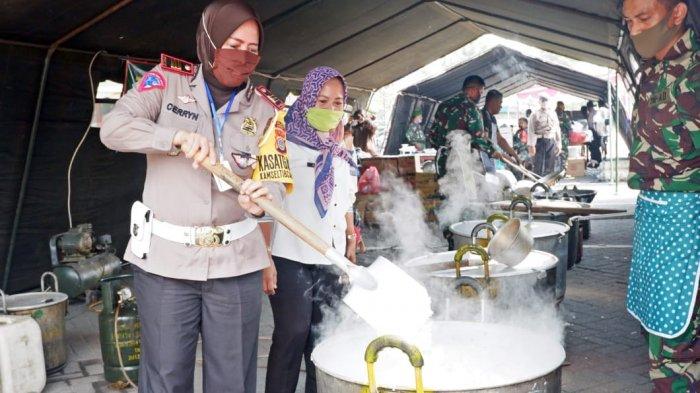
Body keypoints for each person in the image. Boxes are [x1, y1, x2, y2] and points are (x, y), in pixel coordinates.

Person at [100, 1, 291, 392]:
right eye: (234, 43)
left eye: (253, 49)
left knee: (232, 380)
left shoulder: (266, 108)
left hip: (235, 267)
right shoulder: (166, 82)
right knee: (166, 377)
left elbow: (275, 179)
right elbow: (113, 128)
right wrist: (173, 138)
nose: (244, 56)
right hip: (166, 265)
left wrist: (262, 197)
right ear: (209, 40)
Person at [623, 0, 700, 391]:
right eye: (629, 21)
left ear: (677, 13)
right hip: (658, 217)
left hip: (690, 223)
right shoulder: (652, 70)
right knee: (664, 331)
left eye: (644, 18)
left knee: (682, 345)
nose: (635, 30)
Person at [266, 66, 357, 393]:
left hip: (330, 258)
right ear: (306, 100)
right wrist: (265, 259)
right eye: (322, 100)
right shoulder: (283, 142)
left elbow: (346, 200)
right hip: (289, 255)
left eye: (337, 103)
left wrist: (350, 239)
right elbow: (265, 202)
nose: (330, 110)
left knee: (323, 340)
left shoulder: (341, 150)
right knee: (293, 333)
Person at [427, 74, 501, 178]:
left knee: (445, 191)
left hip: (442, 161)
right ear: (472, 90)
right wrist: (493, 151)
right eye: (480, 92)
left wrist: (444, 150)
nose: (480, 96)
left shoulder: (443, 105)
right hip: (461, 163)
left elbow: (432, 135)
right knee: (463, 192)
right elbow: (478, 138)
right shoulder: (471, 109)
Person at [482, 89, 521, 167]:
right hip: (482, 159)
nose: (501, 106)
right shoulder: (483, 117)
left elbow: (500, 140)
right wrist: (503, 155)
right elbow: (484, 141)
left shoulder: (492, 118)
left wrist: (514, 155)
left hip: (490, 158)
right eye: (500, 103)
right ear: (493, 102)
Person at [527, 96, 561, 176]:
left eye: (546, 100)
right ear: (539, 102)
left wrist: (559, 144)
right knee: (538, 165)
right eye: (542, 101)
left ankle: (548, 185)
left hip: (551, 141)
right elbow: (531, 130)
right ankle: (537, 185)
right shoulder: (535, 114)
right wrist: (531, 145)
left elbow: (557, 128)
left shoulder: (553, 113)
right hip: (539, 141)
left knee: (550, 165)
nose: (544, 102)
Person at [555, 101, 573, 169]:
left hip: (556, 137)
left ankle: (559, 167)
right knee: (564, 151)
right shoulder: (564, 115)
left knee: (557, 151)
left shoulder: (554, 114)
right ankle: (563, 167)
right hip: (562, 136)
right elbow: (569, 127)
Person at [586, 100, 603, 167]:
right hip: (592, 132)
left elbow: (596, 124)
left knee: (595, 148)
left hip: (595, 132)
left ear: (589, 107)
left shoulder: (594, 113)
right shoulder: (590, 113)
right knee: (593, 148)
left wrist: (595, 132)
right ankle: (595, 161)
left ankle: (597, 161)